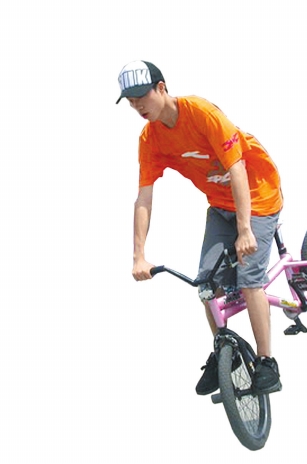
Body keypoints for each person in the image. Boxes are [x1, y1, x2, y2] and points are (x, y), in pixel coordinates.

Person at [116, 60, 283, 395]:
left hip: (258, 196)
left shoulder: (202, 114)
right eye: (130, 101)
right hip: (220, 206)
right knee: (206, 284)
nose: (137, 106)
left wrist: (245, 230)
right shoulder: (150, 139)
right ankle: (224, 353)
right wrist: (139, 256)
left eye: (142, 96)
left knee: (250, 279)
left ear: (161, 88)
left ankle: (267, 363)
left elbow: (237, 168)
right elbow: (144, 198)